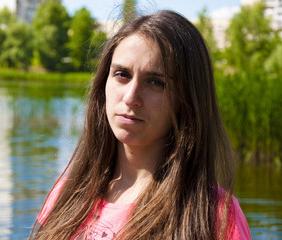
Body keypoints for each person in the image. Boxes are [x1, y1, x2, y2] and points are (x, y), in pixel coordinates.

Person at [29, 10, 251, 240]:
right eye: (122, 74)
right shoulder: (68, 193)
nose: (131, 97)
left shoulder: (215, 216)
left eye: (155, 82)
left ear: (187, 99)